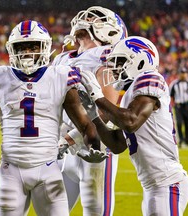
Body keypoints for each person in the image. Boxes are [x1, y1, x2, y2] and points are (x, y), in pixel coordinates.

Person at [0, 20, 103, 216]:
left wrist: (93, 146)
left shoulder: (60, 77)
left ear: (45, 47)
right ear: (11, 49)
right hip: (11, 171)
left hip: (48, 169)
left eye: (33, 46)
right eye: (21, 47)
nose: (26, 52)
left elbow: (84, 124)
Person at [79, 36, 188, 216]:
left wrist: (98, 97)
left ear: (140, 60)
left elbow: (130, 122)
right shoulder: (128, 95)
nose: (114, 69)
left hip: (168, 182)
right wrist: (93, 114)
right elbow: (116, 145)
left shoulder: (150, 78)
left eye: (120, 61)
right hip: (153, 186)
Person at [52, 6, 128, 216]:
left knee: (95, 212)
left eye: (95, 18)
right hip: (63, 148)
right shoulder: (61, 58)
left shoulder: (107, 56)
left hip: (95, 147)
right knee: (51, 211)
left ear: (111, 31)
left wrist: (69, 138)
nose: (87, 19)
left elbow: (106, 110)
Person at [169, 67, 188, 148]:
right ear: (179, 74)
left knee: (187, 123)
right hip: (178, 105)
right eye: (182, 73)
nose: (183, 74)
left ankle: (187, 141)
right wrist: (172, 104)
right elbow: (171, 95)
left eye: (185, 73)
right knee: (179, 123)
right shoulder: (174, 84)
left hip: (187, 105)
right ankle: (181, 140)